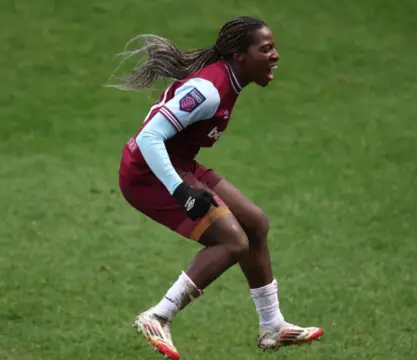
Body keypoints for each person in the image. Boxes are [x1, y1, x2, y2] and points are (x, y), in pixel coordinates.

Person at [109, 16, 323, 360]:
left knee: (255, 223)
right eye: (265, 49)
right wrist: (181, 191)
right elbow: (149, 137)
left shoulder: (228, 83)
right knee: (232, 241)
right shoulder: (208, 91)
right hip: (147, 173)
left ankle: (272, 325)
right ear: (240, 55)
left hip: (181, 163)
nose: (275, 55)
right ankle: (158, 316)